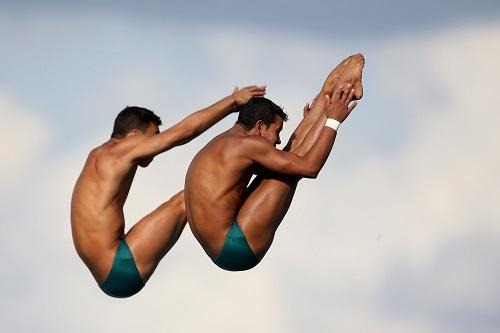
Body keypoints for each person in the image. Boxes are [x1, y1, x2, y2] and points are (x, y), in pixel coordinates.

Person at [71, 85, 266, 297]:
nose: (156, 143)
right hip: (120, 267)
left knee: (189, 197)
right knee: (190, 198)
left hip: (109, 268)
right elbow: (184, 132)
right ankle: (237, 228)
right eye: (154, 135)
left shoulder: (98, 156)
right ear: (134, 134)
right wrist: (232, 102)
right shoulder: (117, 152)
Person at [184, 54, 364, 271]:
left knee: (286, 163)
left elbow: (290, 158)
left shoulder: (224, 143)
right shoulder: (247, 145)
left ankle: (328, 97)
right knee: (290, 170)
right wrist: (333, 120)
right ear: (259, 127)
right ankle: (331, 101)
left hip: (224, 244)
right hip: (236, 248)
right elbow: (309, 167)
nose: (277, 140)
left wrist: (314, 119)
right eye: (276, 132)